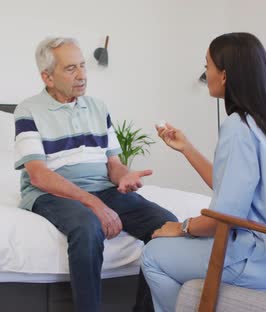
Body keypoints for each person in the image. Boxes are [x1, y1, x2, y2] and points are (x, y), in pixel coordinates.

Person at [140, 32, 266, 312]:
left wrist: (182, 227)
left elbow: (225, 218)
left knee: (152, 255)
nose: (206, 72)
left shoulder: (239, 127)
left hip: (262, 262)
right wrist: (186, 148)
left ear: (224, 75)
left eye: (207, 66)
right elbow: (232, 190)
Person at [14, 37, 177, 312]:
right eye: (70, 69)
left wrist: (123, 176)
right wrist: (93, 203)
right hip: (51, 192)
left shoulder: (99, 108)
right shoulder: (28, 110)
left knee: (167, 226)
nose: (81, 75)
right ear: (47, 77)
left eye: (82, 66)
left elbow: (113, 163)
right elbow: (39, 176)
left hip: (103, 188)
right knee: (88, 226)